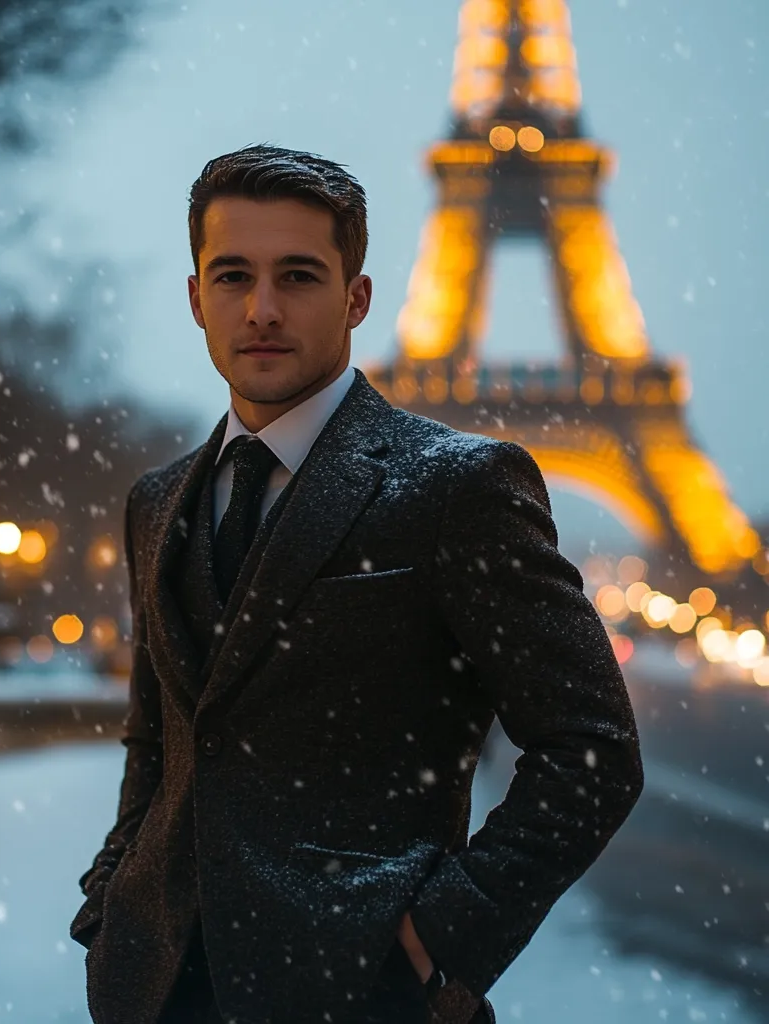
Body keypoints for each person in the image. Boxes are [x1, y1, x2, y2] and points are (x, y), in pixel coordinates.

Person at [70, 145, 643, 1024]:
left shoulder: (460, 488)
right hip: (153, 986)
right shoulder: (157, 502)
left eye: (298, 275)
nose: (262, 309)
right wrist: (113, 896)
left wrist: (437, 936)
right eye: (233, 276)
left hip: (359, 989)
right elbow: (161, 740)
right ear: (196, 299)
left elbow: (593, 749)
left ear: (357, 297)